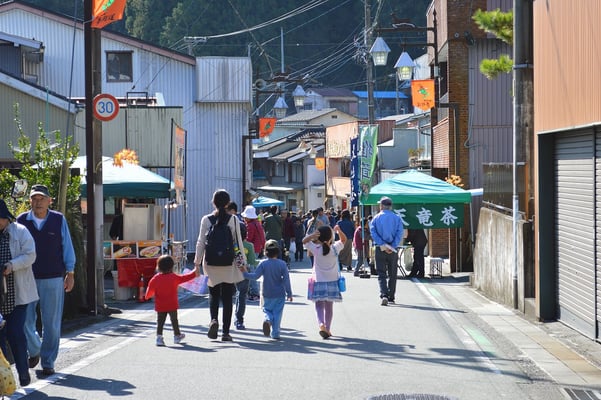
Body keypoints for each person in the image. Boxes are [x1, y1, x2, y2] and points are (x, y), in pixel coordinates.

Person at [17, 184, 75, 376]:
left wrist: (70, 272)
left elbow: (67, 246)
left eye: (41, 198)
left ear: (49, 201)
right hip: (26, 277)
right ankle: (35, 349)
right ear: (30, 201)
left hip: (53, 277)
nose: (38, 202)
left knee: (51, 323)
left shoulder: (58, 219)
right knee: (25, 320)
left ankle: (48, 361)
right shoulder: (21, 220)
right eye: (34, 198)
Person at [193, 189, 246, 342]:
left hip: (210, 262)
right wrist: (242, 263)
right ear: (228, 203)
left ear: (213, 202)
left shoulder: (206, 219)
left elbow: (200, 242)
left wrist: (197, 263)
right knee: (228, 297)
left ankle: (214, 320)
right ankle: (226, 333)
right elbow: (237, 243)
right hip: (228, 263)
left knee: (213, 294)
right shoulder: (233, 219)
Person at [0, 199, 38, 387]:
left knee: (16, 334)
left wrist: (11, 265)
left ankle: (23, 372)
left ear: (6, 218)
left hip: (17, 295)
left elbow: (31, 255)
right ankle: (4, 380)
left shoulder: (20, 231)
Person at [240, 239, 292, 340]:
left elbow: (255, 276)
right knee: (277, 313)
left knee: (267, 309)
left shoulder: (263, 264)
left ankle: (268, 320)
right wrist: (289, 293)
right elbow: (286, 280)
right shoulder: (282, 264)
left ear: (265, 251)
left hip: (267, 292)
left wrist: (245, 273)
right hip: (279, 293)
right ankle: (275, 333)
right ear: (278, 251)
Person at [303, 225, 346, 339]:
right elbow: (343, 240)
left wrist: (312, 235)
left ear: (319, 237)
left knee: (319, 306)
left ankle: (321, 324)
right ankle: (328, 328)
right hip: (332, 282)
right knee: (329, 308)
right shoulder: (335, 249)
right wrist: (339, 231)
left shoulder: (316, 249)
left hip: (319, 281)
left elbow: (304, 241)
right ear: (331, 237)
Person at [145, 255, 199, 346]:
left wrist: (147, 295)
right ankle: (177, 336)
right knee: (174, 320)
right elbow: (184, 278)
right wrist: (194, 272)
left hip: (160, 305)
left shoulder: (155, 279)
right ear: (171, 266)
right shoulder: (173, 277)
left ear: (158, 266)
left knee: (160, 322)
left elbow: (148, 294)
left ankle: (159, 338)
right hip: (172, 304)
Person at [369, 196, 403, 306]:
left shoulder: (376, 218)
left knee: (381, 273)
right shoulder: (397, 218)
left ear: (381, 206)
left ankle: (384, 295)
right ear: (390, 206)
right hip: (393, 249)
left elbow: (373, 233)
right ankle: (391, 296)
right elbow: (399, 233)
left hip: (380, 248)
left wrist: (383, 244)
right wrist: (392, 246)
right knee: (393, 273)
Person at [233, 222, 256, 330]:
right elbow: (252, 261)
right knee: (242, 295)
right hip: (244, 271)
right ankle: (239, 319)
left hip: (229, 271)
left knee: (229, 296)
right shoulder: (249, 246)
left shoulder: (231, 244)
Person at [241, 205, 264, 300]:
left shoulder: (250, 225)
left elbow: (248, 239)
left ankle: (254, 293)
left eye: (245, 217)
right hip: (258, 248)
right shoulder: (257, 223)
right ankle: (253, 292)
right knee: (253, 270)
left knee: (251, 271)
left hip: (252, 249)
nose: (244, 218)